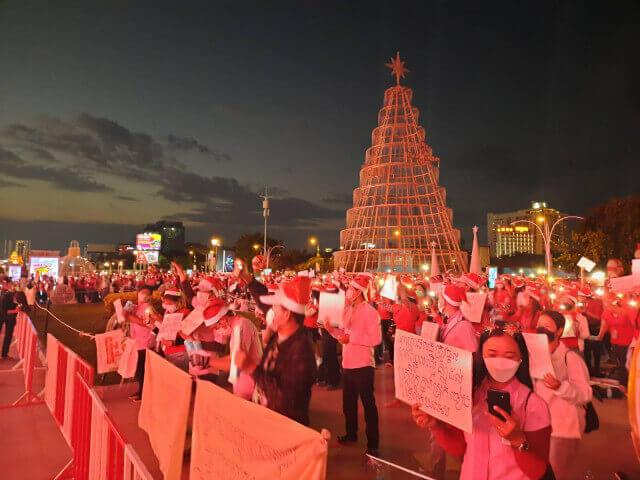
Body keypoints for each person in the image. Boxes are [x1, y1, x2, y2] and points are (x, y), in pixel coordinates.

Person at [412, 324, 551, 480]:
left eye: (510, 356)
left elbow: (537, 470)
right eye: (492, 354)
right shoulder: (469, 392)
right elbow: (459, 448)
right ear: (482, 355)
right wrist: (436, 426)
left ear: (521, 358)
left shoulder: (533, 405)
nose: (500, 361)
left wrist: (517, 440)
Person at [236, 275, 317, 425]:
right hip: (267, 418)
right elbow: (263, 303)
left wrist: (251, 368)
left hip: (284, 427)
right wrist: (250, 280)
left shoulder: (301, 352)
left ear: (286, 315)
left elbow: (284, 398)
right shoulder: (280, 335)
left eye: (275, 308)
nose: (271, 312)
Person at [325, 274, 382, 456]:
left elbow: (376, 339)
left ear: (359, 292)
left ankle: (373, 443)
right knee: (348, 404)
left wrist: (351, 338)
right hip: (348, 364)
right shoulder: (348, 310)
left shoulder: (371, 312)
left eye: (351, 288)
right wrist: (330, 330)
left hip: (364, 365)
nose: (348, 291)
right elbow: (343, 334)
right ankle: (351, 434)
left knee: (368, 405)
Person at [534, 310, 592, 479]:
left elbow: (585, 394)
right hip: (541, 426)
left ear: (559, 331)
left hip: (563, 429)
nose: (541, 329)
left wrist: (560, 387)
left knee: (556, 474)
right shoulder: (536, 355)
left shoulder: (570, 357)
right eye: (539, 325)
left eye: (546, 326)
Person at [126, 286, 158, 401]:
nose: (143, 295)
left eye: (146, 293)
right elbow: (124, 317)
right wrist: (125, 313)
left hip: (146, 342)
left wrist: (130, 317)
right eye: (142, 293)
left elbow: (146, 323)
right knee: (139, 369)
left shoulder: (148, 308)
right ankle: (141, 391)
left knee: (143, 369)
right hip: (137, 342)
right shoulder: (135, 306)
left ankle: (144, 393)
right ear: (137, 293)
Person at [0, 285, 21, 359]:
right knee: (8, 336)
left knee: (8, 336)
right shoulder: (6, 297)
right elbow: (4, 311)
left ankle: (4, 354)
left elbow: (24, 307)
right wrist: (16, 310)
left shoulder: (17, 297)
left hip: (10, 318)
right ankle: (4, 354)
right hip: (3, 315)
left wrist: (19, 307)